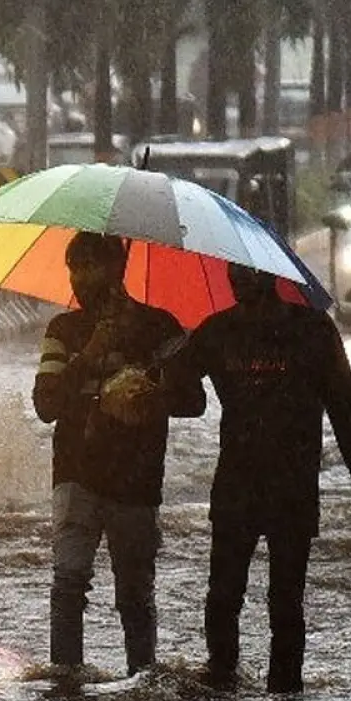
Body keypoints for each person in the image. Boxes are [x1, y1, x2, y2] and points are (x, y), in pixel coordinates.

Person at [155, 264, 351, 694]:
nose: (237, 282)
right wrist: (168, 360)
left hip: (293, 488)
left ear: (271, 277)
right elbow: (182, 395)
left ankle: (285, 695)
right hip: (236, 486)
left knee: (286, 602)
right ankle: (221, 683)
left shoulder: (314, 330)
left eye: (246, 274)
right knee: (223, 596)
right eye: (232, 274)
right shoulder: (217, 331)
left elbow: (347, 411)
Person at [31, 231, 206, 677]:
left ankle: (142, 680)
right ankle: (66, 682)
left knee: (134, 594)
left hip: (137, 479)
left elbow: (193, 400)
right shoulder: (63, 330)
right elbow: (46, 404)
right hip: (76, 474)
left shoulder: (158, 328)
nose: (80, 279)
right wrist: (88, 357)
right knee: (68, 584)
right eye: (74, 268)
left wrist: (146, 391)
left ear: (117, 271)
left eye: (90, 267)